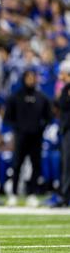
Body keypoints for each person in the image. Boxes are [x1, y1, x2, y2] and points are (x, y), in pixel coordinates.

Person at [4, 69, 53, 207]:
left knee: (36, 165)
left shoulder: (41, 97)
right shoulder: (15, 97)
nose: (31, 80)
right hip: (20, 137)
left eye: (33, 78)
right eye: (28, 77)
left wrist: (40, 129)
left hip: (36, 137)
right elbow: (8, 117)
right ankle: (13, 194)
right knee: (16, 165)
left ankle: (32, 194)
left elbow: (48, 117)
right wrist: (17, 129)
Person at [57, 60, 70, 207]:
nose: (61, 76)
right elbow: (61, 106)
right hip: (67, 130)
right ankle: (65, 196)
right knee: (66, 165)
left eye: (63, 74)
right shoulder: (65, 89)